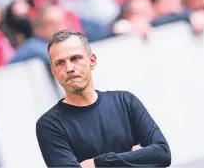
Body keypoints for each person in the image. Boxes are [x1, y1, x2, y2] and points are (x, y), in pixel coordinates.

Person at [36, 29, 171, 167]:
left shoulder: (125, 101)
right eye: (60, 63)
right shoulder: (50, 125)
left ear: (92, 60)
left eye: (75, 58)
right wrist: (135, 158)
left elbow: (162, 154)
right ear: (53, 71)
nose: (69, 68)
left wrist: (96, 163)